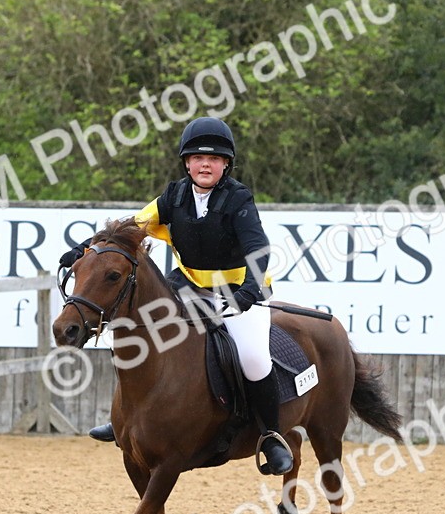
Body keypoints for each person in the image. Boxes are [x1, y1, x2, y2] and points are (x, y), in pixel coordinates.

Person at [58, 116, 293, 475]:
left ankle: (271, 436)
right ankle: (127, 420)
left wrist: (251, 291)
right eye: (197, 157)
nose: (205, 164)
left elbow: (258, 249)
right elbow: (126, 230)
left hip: (239, 290)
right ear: (186, 162)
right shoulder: (173, 196)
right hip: (188, 285)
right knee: (138, 333)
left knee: (254, 357)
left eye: (214, 159)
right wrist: (82, 250)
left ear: (225, 164)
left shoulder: (237, 199)